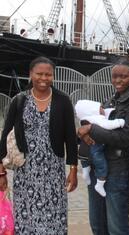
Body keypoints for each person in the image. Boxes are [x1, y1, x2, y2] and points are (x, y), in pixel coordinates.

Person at [0, 56, 78, 234]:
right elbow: (5, 136)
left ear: (53, 76)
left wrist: (73, 169)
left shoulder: (63, 101)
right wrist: (1, 172)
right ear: (30, 74)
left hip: (53, 173)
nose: (44, 78)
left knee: (55, 220)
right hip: (25, 173)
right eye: (39, 74)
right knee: (25, 220)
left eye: (48, 74)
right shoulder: (19, 101)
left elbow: (70, 138)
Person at [77, 60, 129, 235]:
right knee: (97, 224)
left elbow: (126, 137)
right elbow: (93, 124)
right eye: (115, 76)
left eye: (123, 76)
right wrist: (84, 132)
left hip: (119, 167)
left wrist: (92, 130)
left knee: (116, 226)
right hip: (98, 166)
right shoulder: (111, 100)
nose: (118, 80)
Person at [75, 99, 125, 197]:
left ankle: (85, 173)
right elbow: (108, 125)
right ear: (92, 110)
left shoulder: (84, 119)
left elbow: (108, 111)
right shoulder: (96, 119)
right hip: (95, 148)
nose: (103, 109)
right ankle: (100, 183)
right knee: (102, 165)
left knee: (85, 162)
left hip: (84, 150)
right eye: (100, 107)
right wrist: (120, 122)